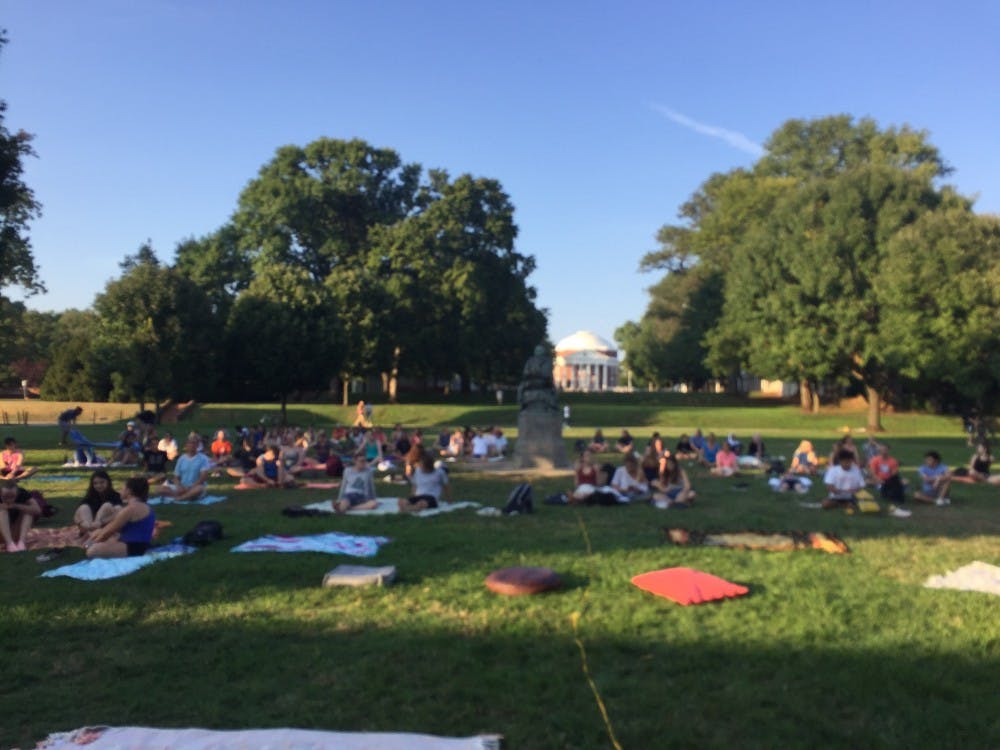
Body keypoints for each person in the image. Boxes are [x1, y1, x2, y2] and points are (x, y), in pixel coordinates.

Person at [85, 477, 155, 559]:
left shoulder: (130, 509)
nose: (120, 491)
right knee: (100, 534)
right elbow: (110, 528)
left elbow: (108, 531)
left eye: (122, 488)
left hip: (134, 547)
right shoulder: (145, 506)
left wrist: (89, 544)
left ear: (129, 491)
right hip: (139, 544)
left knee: (93, 551)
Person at [868, 444, 911, 518]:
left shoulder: (893, 461)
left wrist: (886, 481)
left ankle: (896, 495)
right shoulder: (875, 460)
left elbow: (894, 474)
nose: (884, 451)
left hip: (889, 481)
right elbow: (873, 473)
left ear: (888, 450)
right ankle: (894, 492)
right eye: (882, 450)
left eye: (885, 450)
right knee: (900, 483)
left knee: (899, 480)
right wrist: (879, 480)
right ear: (879, 451)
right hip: (878, 480)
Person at [0, 480, 41, 552]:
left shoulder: (23, 493)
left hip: (16, 531)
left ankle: (21, 542)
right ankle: (9, 543)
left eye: (12, 497)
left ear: (17, 493)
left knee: (28, 511)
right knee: (2, 511)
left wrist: (16, 506)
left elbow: (37, 510)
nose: (9, 500)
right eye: (5, 497)